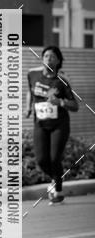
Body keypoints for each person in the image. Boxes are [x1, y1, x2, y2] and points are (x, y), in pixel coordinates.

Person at [26, 45, 78, 204]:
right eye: (46, 56)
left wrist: (60, 101)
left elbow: (75, 106)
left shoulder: (63, 80)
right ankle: (55, 181)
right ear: (42, 58)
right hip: (40, 124)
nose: (49, 58)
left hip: (59, 125)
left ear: (58, 61)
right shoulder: (32, 74)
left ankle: (58, 191)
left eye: (53, 56)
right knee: (42, 160)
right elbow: (30, 91)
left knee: (55, 158)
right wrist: (27, 107)